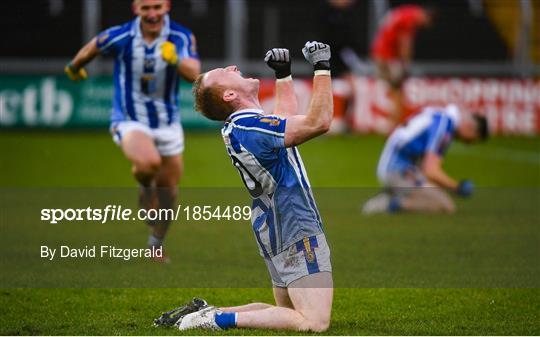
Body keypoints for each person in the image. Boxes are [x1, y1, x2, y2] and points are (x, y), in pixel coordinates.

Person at [165, 41, 334, 332]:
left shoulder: (242, 126)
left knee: (288, 313)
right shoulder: (250, 127)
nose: (232, 67)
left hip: (273, 225)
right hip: (294, 224)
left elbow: (283, 121)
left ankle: (208, 312)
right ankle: (218, 319)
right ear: (229, 94)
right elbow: (318, 122)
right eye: (224, 71)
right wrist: (322, 67)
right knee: (314, 322)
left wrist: (283, 76)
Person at [64, 0, 200, 261]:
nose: (152, 13)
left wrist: (175, 60)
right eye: (145, 8)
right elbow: (95, 45)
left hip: (168, 122)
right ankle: (146, 189)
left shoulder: (180, 36)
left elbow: (194, 72)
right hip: (129, 118)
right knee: (148, 163)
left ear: (167, 7)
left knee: (170, 194)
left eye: (157, 7)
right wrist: (74, 67)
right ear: (135, 9)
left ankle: (155, 244)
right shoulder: (123, 35)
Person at [362, 104, 489, 214]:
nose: (466, 143)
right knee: (444, 206)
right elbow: (430, 171)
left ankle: (392, 194)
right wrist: (457, 187)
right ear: (470, 126)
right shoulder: (445, 126)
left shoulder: (439, 115)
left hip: (400, 168)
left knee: (436, 194)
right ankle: (388, 203)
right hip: (397, 170)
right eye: (470, 140)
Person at [371, 4, 433, 127]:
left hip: (380, 52)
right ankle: (394, 123)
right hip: (389, 56)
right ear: (426, 16)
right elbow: (405, 43)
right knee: (397, 91)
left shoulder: (405, 11)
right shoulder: (410, 19)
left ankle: (392, 122)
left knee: (394, 90)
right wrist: (406, 64)